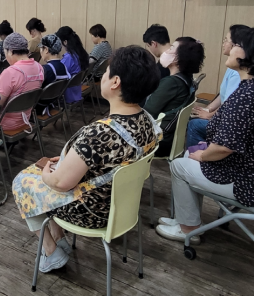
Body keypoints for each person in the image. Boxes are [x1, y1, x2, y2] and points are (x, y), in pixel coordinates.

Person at [12, 46, 161, 272]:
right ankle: (58, 238)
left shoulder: (99, 133)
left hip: (92, 212)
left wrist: (47, 174)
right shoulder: (147, 121)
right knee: (46, 175)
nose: (103, 76)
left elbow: (60, 184)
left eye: (107, 71)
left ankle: (51, 250)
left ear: (115, 82)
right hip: (121, 206)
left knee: (23, 182)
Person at [156, 28, 254, 244]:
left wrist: (202, 156)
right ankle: (186, 220)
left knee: (179, 166)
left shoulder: (248, 95)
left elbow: (224, 148)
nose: (230, 48)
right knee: (190, 159)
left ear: (251, 55)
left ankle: (188, 229)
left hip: (250, 183)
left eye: (236, 45)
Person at [186, 25, 249, 148]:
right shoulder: (232, 67)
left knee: (194, 124)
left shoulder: (238, 73)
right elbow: (223, 94)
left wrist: (210, 115)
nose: (223, 44)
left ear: (237, 46)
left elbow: (230, 104)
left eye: (226, 40)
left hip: (227, 122)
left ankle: (197, 155)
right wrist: (208, 109)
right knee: (195, 116)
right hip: (224, 117)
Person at [144, 37, 205, 157]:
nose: (167, 50)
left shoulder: (171, 83)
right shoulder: (187, 79)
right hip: (171, 139)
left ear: (177, 58)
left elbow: (147, 112)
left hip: (158, 141)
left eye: (171, 48)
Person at [0, 33, 44, 131]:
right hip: (25, 119)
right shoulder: (39, 67)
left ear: (11, 51)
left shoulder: (10, 73)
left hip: (4, 124)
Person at [36, 34, 69, 114]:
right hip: (53, 103)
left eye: (41, 48)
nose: (40, 51)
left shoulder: (46, 69)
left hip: (39, 107)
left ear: (46, 49)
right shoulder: (64, 66)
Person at [56, 26, 89, 104]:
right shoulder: (80, 53)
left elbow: (58, 73)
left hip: (67, 95)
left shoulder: (69, 58)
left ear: (65, 42)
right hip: (76, 92)